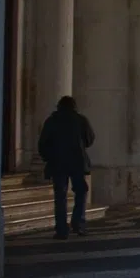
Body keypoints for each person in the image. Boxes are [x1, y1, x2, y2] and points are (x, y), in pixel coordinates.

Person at [37, 96, 95, 240]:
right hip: (77, 162)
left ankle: (62, 229)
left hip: (58, 163)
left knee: (60, 196)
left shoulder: (52, 121)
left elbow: (43, 144)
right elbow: (90, 139)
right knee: (81, 192)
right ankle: (78, 223)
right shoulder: (80, 120)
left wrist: (48, 157)